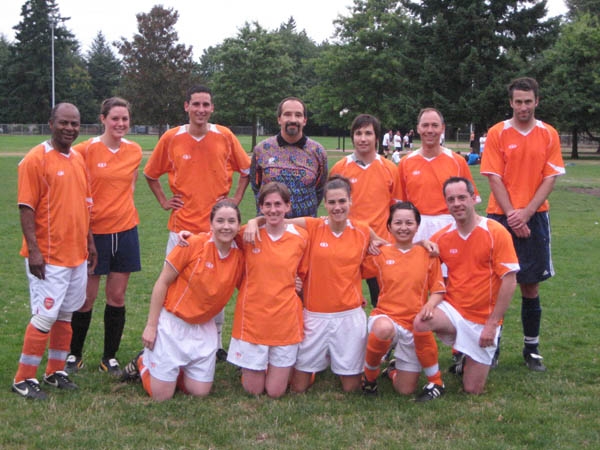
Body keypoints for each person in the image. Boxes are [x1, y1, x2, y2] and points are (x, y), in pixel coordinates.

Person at [144, 85, 250, 360]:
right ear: (186, 107)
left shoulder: (224, 136)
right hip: (182, 228)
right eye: (196, 104)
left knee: (217, 285)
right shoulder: (172, 138)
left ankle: (214, 345)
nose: (201, 110)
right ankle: (166, 334)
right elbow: (151, 174)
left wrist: (235, 199)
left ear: (212, 108)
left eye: (206, 105)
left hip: (217, 231)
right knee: (174, 283)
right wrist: (164, 201)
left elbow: (247, 170)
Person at [245, 176, 372, 393]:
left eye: (342, 201)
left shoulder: (363, 231)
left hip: (348, 315)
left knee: (351, 389)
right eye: (332, 202)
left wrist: (422, 243)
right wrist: (252, 221)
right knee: (298, 387)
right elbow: (277, 219)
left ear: (351, 201)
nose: (337, 207)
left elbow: (395, 245)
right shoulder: (313, 226)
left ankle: (352, 366)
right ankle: (311, 367)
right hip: (315, 315)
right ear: (324, 203)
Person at [12, 103, 97, 400]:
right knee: (45, 317)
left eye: (74, 124)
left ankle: (55, 371)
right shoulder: (35, 159)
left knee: (65, 316)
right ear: (51, 123)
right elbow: (26, 208)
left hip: (76, 255)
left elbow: (84, 206)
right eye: (64, 122)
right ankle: (23, 378)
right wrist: (34, 251)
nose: (70, 128)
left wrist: (89, 241)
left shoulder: (77, 159)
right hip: (48, 256)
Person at [481, 77, 565, 372]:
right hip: (500, 217)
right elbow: (493, 175)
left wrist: (525, 214)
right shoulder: (497, 133)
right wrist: (512, 215)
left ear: (537, 102)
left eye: (528, 101)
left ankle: (532, 349)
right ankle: (492, 347)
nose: (523, 107)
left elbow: (550, 177)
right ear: (511, 103)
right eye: (518, 102)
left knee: (530, 286)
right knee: (496, 286)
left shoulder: (548, 134)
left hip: (534, 216)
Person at [124, 201, 244, 401]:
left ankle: (171, 370)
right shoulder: (192, 244)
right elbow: (162, 283)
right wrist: (151, 326)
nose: (225, 226)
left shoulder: (240, 256)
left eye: (231, 221)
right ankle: (143, 363)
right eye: (220, 221)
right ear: (210, 223)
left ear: (239, 226)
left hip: (204, 329)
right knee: (161, 396)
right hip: (173, 325)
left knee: (199, 392)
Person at [414, 177, 519, 394]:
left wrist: (492, 324)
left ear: (473, 198)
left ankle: (467, 354)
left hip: (483, 319)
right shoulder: (443, 236)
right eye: (451, 199)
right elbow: (412, 253)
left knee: (473, 389)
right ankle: (434, 379)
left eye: (462, 197)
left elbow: (510, 281)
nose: (457, 203)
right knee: (421, 322)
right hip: (453, 310)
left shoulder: (495, 232)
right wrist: (423, 243)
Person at [65, 98, 142, 377]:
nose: (121, 124)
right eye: (115, 119)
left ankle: (109, 357)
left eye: (125, 119)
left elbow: (130, 184)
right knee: (86, 298)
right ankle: (74, 354)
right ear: (103, 119)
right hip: (93, 233)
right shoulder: (84, 150)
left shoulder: (134, 151)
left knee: (117, 297)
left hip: (125, 231)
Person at [228, 182, 309, 398]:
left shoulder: (300, 238)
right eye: (268, 205)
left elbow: (303, 273)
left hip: (285, 319)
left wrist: (298, 282)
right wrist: (254, 221)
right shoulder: (247, 234)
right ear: (261, 207)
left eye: (278, 204)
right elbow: (218, 235)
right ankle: (256, 366)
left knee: (275, 392)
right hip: (254, 317)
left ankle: (291, 369)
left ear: (288, 207)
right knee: (253, 391)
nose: (273, 210)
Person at [361, 202, 446, 401]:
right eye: (398, 222)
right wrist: (368, 248)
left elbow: (438, 289)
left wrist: (429, 304)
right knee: (382, 329)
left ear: (417, 226)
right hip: (386, 316)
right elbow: (351, 269)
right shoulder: (380, 253)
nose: (403, 227)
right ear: (389, 226)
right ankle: (370, 377)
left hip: (412, 323)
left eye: (409, 223)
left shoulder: (428, 254)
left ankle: (392, 370)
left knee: (405, 390)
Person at [330, 114, 402, 307]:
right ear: (352, 137)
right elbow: (333, 209)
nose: (363, 138)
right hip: (348, 245)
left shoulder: (389, 168)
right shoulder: (340, 168)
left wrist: (391, 244)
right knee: (345, 303)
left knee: (384, 305)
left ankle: (381, 337)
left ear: (377, 138)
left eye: (368, 133)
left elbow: (396, 211)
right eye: (358, 133)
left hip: (379, 246)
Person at [397, 108, 480, 245]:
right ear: (418, 128)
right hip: (417, 228)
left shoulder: (457, 161)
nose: (430, 130)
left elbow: (470, 204)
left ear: (442, 128)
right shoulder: (405, 163)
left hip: (450, 225)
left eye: (435, 125)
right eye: (425, 125)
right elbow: (400, 205)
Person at [249, 97, 328, 218]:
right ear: (279, 119)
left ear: (304, 120)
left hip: (305, 228)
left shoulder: (318, 151)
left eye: (298, 115)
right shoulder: (262, 149)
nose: (293, 119)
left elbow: (320, 189)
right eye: (287, 114)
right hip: (270, 225)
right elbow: (256, 186)